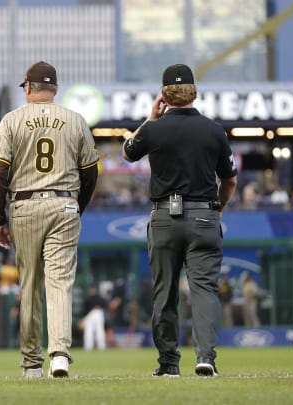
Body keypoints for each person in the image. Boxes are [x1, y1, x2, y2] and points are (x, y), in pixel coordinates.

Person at [122, 64, 237, 378]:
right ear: (193, 92)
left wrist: (149, 118)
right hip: (204, 214)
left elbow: (128, 152)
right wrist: (220, 207)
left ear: (164, 95)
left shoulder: (154, 129)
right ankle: (205, 359)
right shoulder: (214, 130)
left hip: (164, 218)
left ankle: (169, 363)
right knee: (204, 291)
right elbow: (230, 181)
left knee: (165, 292)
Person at [0, 61, 99, 379]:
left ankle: (32, 364)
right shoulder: (76, 120)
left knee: (31, 286)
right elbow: (91, 172)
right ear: (55, 89)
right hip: (64, 204)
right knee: (60, 283)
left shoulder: (11, 120)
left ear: (28, 88)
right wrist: (77, 205)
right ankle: (60, 355)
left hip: (24, 206)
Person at [81, 286, 108, 351]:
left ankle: (101, 347)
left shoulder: (99, 298)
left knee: (99, 331)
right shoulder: (89, 299)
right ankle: (89, 347)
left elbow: (105, 306)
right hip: (92, 314)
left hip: (97, 314)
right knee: (90, 331)